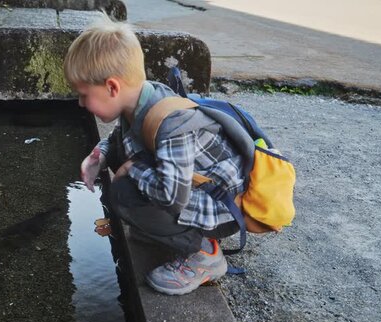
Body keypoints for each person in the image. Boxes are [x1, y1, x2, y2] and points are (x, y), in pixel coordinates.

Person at [63, 14, 245, 296]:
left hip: (222, 207)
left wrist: (132, 170)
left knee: (123, 194)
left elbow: (172, 197)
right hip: (190, 191)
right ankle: (165, 231)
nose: (80, 103)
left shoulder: (173, 125)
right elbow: (118, 141)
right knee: (120, 161)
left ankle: (204, 254)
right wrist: (98, 155)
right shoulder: (137, 100)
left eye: (85, 94)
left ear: (112, 87)